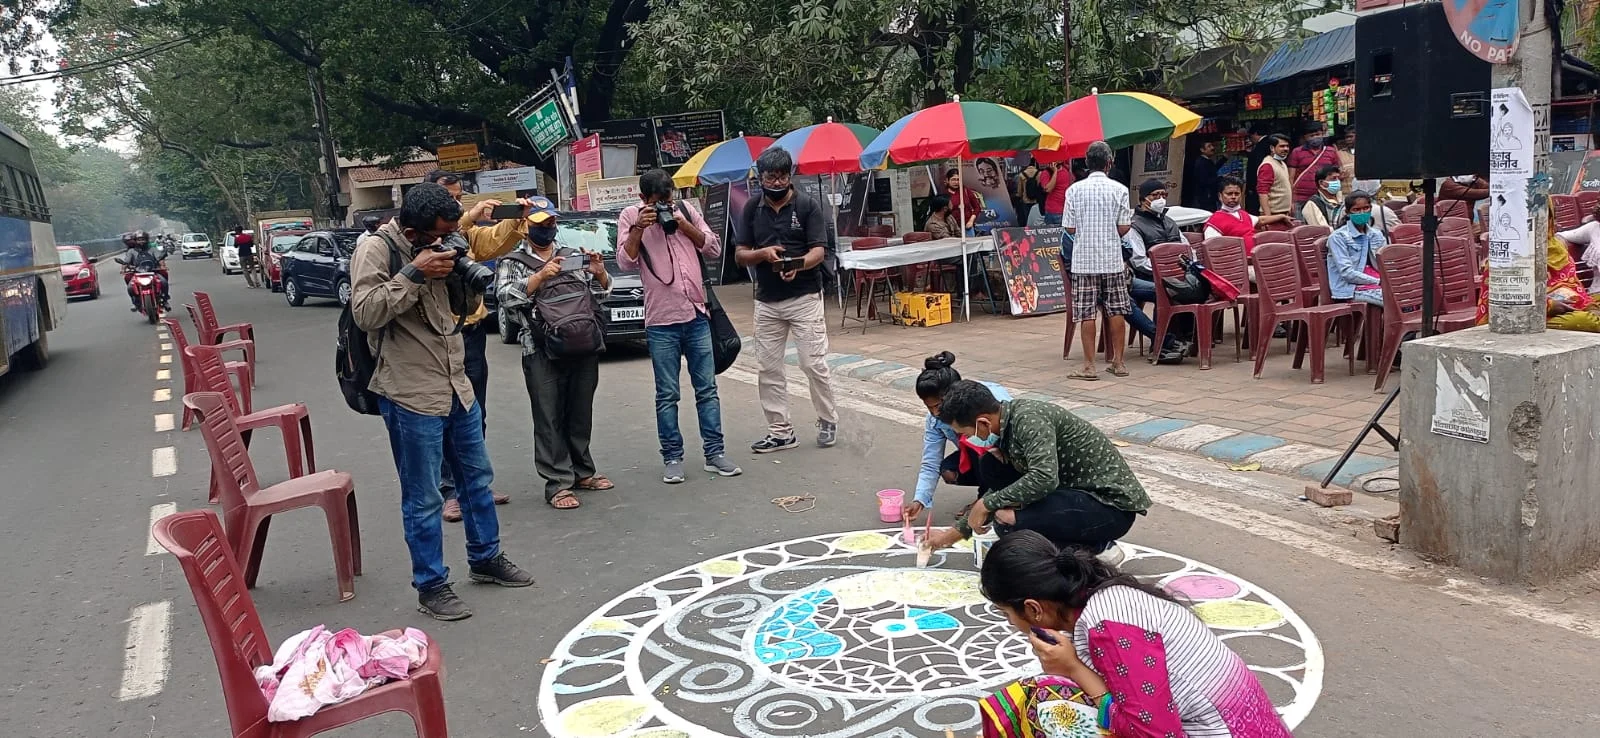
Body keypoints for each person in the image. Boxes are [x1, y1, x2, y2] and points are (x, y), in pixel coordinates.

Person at [350, 182, 533, 621]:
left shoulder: (444, 240)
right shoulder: (377, 250)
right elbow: (366, 311)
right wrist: (414, 272)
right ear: (414, 233)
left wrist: (458, 275)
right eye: (438, 235)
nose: (445, 240)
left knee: (477, 479)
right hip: (410, 392)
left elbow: (459, 309)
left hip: (456, 382)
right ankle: (431, 585)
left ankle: (486, 558)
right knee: (424, 496)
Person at [978, 530, 1294, 737]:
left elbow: (1154, 735)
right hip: (1245, 727)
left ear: (1034, 609)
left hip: (1216, 731)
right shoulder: (1103, 595)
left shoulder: (1108, 630)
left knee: (1047, 705)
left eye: (1006, 613)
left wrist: (1073, 668)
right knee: (1049, 689)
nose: (1009, 622)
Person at [923, 381, 1150, 556]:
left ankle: (1097, 549)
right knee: (991, 468)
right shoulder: (1006, 427)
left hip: (1109, 508)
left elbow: (1044, 478)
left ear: (982, 422)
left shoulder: (1029, 420)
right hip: (1072, 495)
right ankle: (1069, 546)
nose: (969, 439)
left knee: (1009, 523)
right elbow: (1007, 486)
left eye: (967, 433)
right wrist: (949, 536)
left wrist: (987, 504)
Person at [617, 169, 743, 483]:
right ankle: (672, 457)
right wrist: (639, 228)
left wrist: (682, 222)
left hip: (697, 314)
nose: (664, 207)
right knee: (667, 394)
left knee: (707, 390)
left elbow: (713, 247)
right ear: (644, 199)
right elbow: (625, 261)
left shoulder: (686, 210)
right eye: (658, 202)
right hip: (661, 321)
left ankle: (715, 453)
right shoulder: (631, 217)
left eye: (668, 200)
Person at [424, 169, 530, 521]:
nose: (456, 204)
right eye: (449, 198)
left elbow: (492, 244)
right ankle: (449, 491)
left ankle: (474, 484)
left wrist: (517, 221)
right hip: (437, 338)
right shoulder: (422, 236)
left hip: (471, 334)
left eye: (458, 197)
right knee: (442, 414)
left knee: (474, 412)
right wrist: (468, 215)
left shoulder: (465, 233)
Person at [495, 203, 614, 510]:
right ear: (527, 226)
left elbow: (598, 296)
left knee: (580, 410)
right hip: (540, 348)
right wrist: (538, 278)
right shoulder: (514, 260)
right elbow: (504, 297)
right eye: (540, 222)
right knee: (548, 416)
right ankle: (558, 483)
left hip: (582, 344)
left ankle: (582, 472)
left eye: (550, 221)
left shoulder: (572, 254)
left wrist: (600, 274)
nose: (546, 227)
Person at [736, 147, 840, 454]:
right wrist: (763, 255)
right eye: (771, 176)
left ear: (789, 176)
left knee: (813, 364)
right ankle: (780, 431)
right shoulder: (752, 208)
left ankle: (826, 419)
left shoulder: (808, 206)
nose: (777, 182)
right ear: (761, 177)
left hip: (805, 297)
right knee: (768, 369)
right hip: (766, 301)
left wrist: (797, 265)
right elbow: (740, 255)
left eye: (782, 176)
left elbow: (819, 250)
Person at [903, 352, 1014, 523]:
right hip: (976, 455)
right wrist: (920, 500)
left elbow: (1012, 447)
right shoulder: (935, 420)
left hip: (1007, 456)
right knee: (949, 470)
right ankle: (988, 495)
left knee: (987, 454)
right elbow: (930, 461)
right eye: (928, 407)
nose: (935, 413)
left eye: (938, 406)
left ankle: (988, 499)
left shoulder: (990, 400)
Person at [1062, 141, 1134, 381]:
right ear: (1109, 163)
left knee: (1086, 313)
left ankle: (1089, 366)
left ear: (1086, 163)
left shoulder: (1073, 190)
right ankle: (1119, 362)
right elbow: (1124, 227)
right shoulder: (1120, 190)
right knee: (1117, 310)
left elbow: (1069, 227)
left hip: (1083, 260)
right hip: (1112, 258)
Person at [1480, 213, 1600, 331]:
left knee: (1590, 317)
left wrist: (1589, 306)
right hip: (1523, 316)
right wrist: (1549, 305)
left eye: (1547, 217)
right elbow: (1504, 300)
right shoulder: (1506, 254)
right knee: (1582, 321)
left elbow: (1572, 284)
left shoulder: (1556, 248)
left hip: (1567, 309)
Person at [1124, 179, 1189, 363]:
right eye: (1155, 195)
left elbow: (1186, 248)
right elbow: (1139, 261)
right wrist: (1162, 271)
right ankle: (1163, 343)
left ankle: (1186, 337)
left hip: (1176, 274)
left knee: (1197, 288)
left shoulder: (1169, 222)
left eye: (1163, 195)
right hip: (1146, 276)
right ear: (1144, 199)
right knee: (1163, 291)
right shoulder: (1134, 225)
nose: (1160, 199)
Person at [1326, 192, 1388, 307]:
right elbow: (1347, 273)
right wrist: (1378, 281)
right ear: (1348, 213)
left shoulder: (1376, 234)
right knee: (1392, 300)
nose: (1362, 212)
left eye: (1366, 208)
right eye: (1356, 209)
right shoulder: (1338, 237)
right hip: (1350, 288)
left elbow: (1385, 263)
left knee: (1406, 296)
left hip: (1378, 281)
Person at [115, 230, 169, 310]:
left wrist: (162, 266)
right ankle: (135, 301)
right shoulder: (131, 251)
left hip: (153, 271)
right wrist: (123, 269)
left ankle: (165, 300)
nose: (141, 242)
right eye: (139, 240)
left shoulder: (153, 249)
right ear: (135, 241)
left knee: (164, 281)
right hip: (138, 273)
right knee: (129, 286)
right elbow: (126, 262)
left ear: (147, 240)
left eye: (143, 239)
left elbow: (159, 258)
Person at [1288, 124, 1340, 206]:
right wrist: (1291, 200)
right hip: (1301, 198)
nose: (1315, 137)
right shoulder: (1296, 152)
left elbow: (1337, 173)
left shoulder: (1331, 151)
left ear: (1322, 134)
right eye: (1311, 136)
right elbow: (1290, 178)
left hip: (1324, 196)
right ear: (1305, 137)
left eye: (1318, 134)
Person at [1255, 134, 1295, 225]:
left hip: (1284, 213)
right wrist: (1268, 218)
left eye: (1287, 146)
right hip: (1273, 215)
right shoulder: (1268, 165)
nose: (1286, 149)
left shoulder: (1282, 163)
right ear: (1272, 148)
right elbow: (1262, 193)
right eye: (1282, 146)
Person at [1183, 139, 1222, 209]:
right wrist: (1220, 178)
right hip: (1205, 197)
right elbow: (1204, 181)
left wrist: (1224, 159)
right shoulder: (1201, 163)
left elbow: (1213, 170)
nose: (1212, 148)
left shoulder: (1207, 161)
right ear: (1202, 150)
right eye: (1209, 146)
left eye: (1212, 146)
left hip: (1209, 196)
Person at [1242, 125, 1271, 214]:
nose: (1251, 140)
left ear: (1255, 134)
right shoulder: (1268, 143)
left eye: (1250, 137)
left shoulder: (1260, 146)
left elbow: (1257, 166)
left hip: (1257, 185)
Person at [945, 167, 984, 234]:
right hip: (951, 229)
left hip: (967, 227)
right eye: (953, 180)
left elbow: (977, 207)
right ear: (947, 180)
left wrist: (971, 221)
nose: (956, 182)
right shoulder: (943, 194)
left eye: (958, 179)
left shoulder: (966, 191)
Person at [1039, 161, 1071, 226]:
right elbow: (1048, 189)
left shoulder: (1066, 170)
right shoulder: (1046, 173)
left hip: (1065, 209)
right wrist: (1055, 172)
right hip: (1053, 210)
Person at [1013, 160, 1045, 226]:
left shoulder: (1022, 175)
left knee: (1027, 218)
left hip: (1026, 200)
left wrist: (1018, 196)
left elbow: (1019, 191)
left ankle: (1028, 231)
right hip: (1036, 200)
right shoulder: (1040, 173)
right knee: (1036, 217)